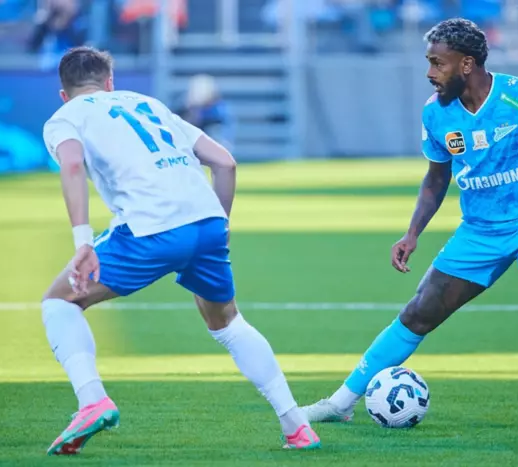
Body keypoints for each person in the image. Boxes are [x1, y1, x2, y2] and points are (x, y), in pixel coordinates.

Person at [302, 18, 518, 434]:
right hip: (479, 229)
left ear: (466, 64)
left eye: (438, 63)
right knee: (418, 313)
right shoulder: (435, 113)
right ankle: (341, 403)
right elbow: (436, 178)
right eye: (429, 62)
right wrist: (412, 233)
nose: (430, 72)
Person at [41, 46, 321, 455]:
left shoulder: (66, 117)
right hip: (207, 221)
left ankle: (92, 401)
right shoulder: (148, 104)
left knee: (59, 303)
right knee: (227, 323)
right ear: (109, 83)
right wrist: (220, 227)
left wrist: (83, 241)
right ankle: (296, 425)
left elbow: (70, 166)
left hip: (150, 228)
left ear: (64, 94)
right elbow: (224, 163)